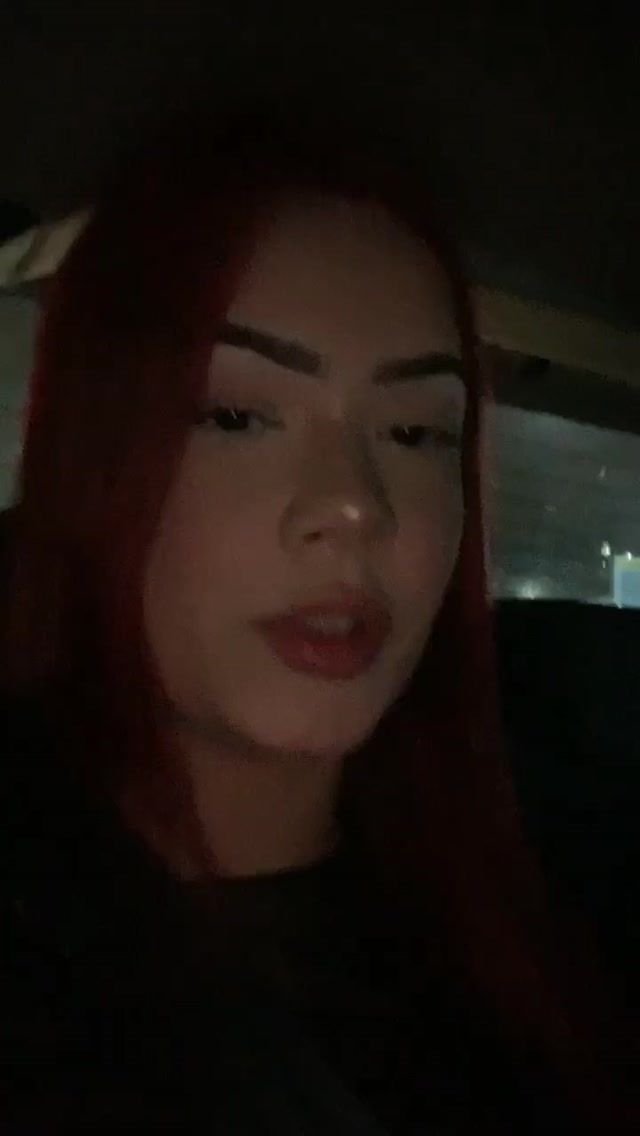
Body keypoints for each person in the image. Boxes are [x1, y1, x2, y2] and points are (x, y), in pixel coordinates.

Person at [0, 113, 633, 1134]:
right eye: (236, 416)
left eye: (415, 431)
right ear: (93, 457)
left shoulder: (557, 879)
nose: (354, 505)